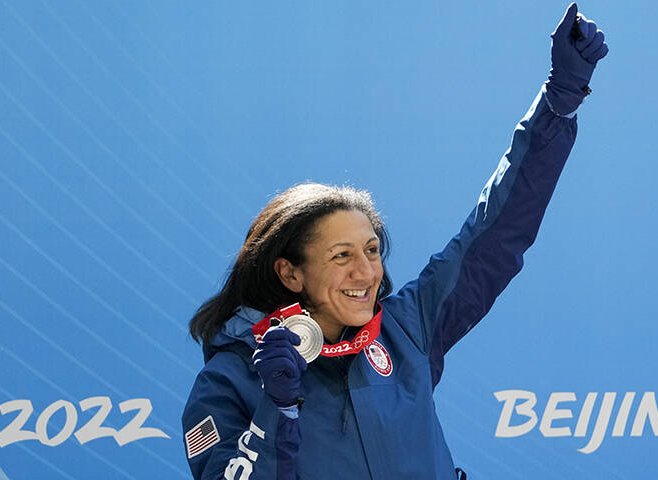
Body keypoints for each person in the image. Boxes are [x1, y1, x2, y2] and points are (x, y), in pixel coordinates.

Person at [182, 3, 608, 479]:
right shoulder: (230, 379)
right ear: (290, 272)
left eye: (371, 251)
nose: (366, 273)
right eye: (341, 255)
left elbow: (496, 231)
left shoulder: (407, 328)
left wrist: (558, 102)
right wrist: (277, 412)